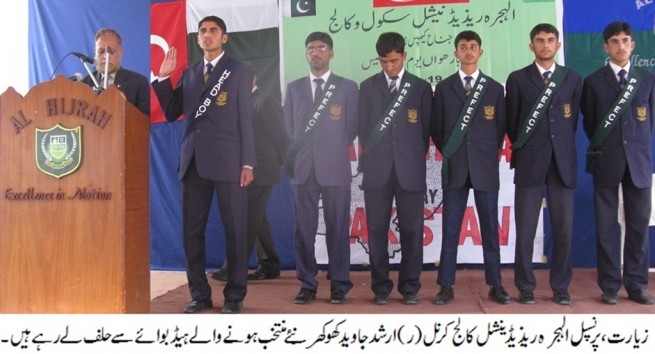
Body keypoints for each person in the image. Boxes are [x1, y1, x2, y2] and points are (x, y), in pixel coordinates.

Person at [151, 15, 256, 314]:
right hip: (194, 162)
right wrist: (162, 78)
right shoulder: (190, 72)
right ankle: (199, 294)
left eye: (213, 31)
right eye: (202, 31)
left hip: (230, 163)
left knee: (235, 230)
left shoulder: (238, 71)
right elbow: (172, 112)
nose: (207, 35)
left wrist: (248, 162)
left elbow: (245, 120)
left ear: (224, 37)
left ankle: (235, 296)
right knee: (191, 232)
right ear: (197, 39)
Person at [431, 30, 511, 305]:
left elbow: (500, 128)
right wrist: (452, 153)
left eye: (473, 46)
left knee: (490, 227)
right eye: (462, 47)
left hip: (485, 167)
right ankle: (446, 285)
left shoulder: (493, 88)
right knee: (450, 227)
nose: (468, 51)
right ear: (456, 53)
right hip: (455, 167)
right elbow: (437, 129)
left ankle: (496, 285)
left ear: (481, 52)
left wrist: (482, 153)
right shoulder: (444, 88)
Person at [505, 23, 581, 305]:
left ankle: (560, 286)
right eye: (540, 40)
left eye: (550, 40)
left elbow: (570, 122)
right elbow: (512, 124)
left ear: (558, 45)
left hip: (562, 163)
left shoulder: (572, 78)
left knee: (563, 229)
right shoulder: (517, 79)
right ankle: (525, 286)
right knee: (525, 229)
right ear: (531, 45)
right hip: (529, 161)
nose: (545, 45)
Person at [581, 21, 655, 305]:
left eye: (625, 41)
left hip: (638, 162)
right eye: (615, 41)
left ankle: (636, 284)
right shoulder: (594, 81)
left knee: (637, 225)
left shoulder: (647, 80)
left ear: (633, 45)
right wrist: (608, 146)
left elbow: (649, 123)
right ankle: (609, 285)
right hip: (606, 160)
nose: (620, 46)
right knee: (607, 226)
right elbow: (590, 123)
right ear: (606, 47)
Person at [283, 32, 358, 305]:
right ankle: (307, 283)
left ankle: (339, 283)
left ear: (331, 53)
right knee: (304, 230)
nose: (316, 52)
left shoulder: (347, 87)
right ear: (306, 55)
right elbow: (289, 130)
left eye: (321, 48)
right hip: (303, 170)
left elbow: (350, 129)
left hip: (335, 168)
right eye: (311, 48)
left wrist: (331, 150)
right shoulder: (294, 89)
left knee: (338, 227)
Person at [358, 32, 433, 305]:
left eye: (394, 60)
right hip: (377, 171)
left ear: (404, 56)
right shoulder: (366, 88)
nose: (389, 67)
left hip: (410, 170)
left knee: (412, 231)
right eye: (383, 61)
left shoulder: (421, 88)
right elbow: (363, 130)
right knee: (377, 231)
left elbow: (425, 132)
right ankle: (380, 288)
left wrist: (409, 157)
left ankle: (411, 287)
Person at [211, 63, 288, 282]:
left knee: (246, 219)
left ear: (254, 79)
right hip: (242, 170)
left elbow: (281, 136)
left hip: (262, 170)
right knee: (258, 218)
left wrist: (282, 163)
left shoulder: (264, 102)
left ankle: (233, 267)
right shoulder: (236, 104)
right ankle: (270, 263)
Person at [81, 28, 150, 115]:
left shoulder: (138, 82)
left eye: (111, 51)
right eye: (101, 51)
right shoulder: (85, 83)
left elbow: (145, 121)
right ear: (95, 52)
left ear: (120, 53)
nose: (106, 56)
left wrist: (125, 106)